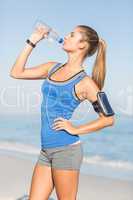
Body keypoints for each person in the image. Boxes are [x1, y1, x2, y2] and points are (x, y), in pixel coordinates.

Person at [10, 24, 115, 200]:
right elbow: (16, 72)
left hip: (66, 151)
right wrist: (32, 41)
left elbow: (108, 119)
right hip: (46, 151)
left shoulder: (86, 83)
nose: (66, 36)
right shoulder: (52, 67)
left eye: (72, 35)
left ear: (82, 45)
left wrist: (75, 129)